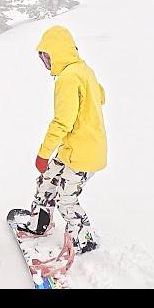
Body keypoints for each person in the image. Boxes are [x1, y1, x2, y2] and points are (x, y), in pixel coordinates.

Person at [18, 25, 107, 255]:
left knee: (66, 198)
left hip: (83, 154)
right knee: (47, 181)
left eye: (47, 57)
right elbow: (101, 96)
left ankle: (85, 239)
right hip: (74, 148)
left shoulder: (68, 78)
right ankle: (41, 223)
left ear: (57, 53)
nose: (45, 63)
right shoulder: (83, 70)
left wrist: (43, 153)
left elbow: (62, 122)